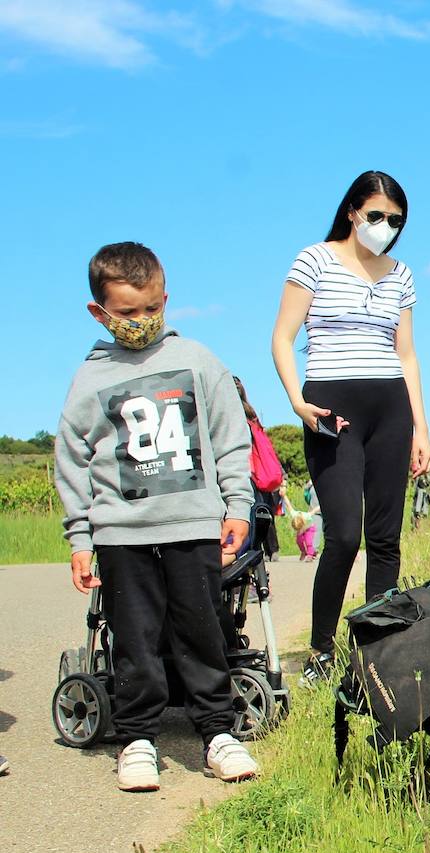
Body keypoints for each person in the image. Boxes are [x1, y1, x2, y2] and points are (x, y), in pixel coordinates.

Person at [54, 242, 260, 791]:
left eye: (151, 309)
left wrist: (237, 505)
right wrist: (80, 536)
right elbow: (72, 460)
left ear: (165, 299)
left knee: (203, 630)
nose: (141, 322)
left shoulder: (196, 359)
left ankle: (218, 732)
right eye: (127, 313)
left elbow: (230, 436)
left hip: (193, 524)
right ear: (99, 312)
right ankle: (137, 738)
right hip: (121, 532)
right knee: (135, 638)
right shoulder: (90, 379)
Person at [270, 170, 430, 681]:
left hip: (390, 406)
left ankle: (377, 652)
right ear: (352, 212)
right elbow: (282, 337)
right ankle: (321, 652)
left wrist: (421, 431)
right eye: (377, 216)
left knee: (385, 537)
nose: (386, 226)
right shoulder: (314, 259)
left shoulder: (401, 274)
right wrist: (297, 401)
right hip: (331, 404)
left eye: (396, 220)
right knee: (343, 534)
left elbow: (406, 354)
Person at [233, 376, 283, 560]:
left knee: (244, 522)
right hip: (259, 476)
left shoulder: (232, 414)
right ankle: (268, 555)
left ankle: (248, 563)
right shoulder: (251, 414)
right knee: (261, 518)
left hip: (244, 475)